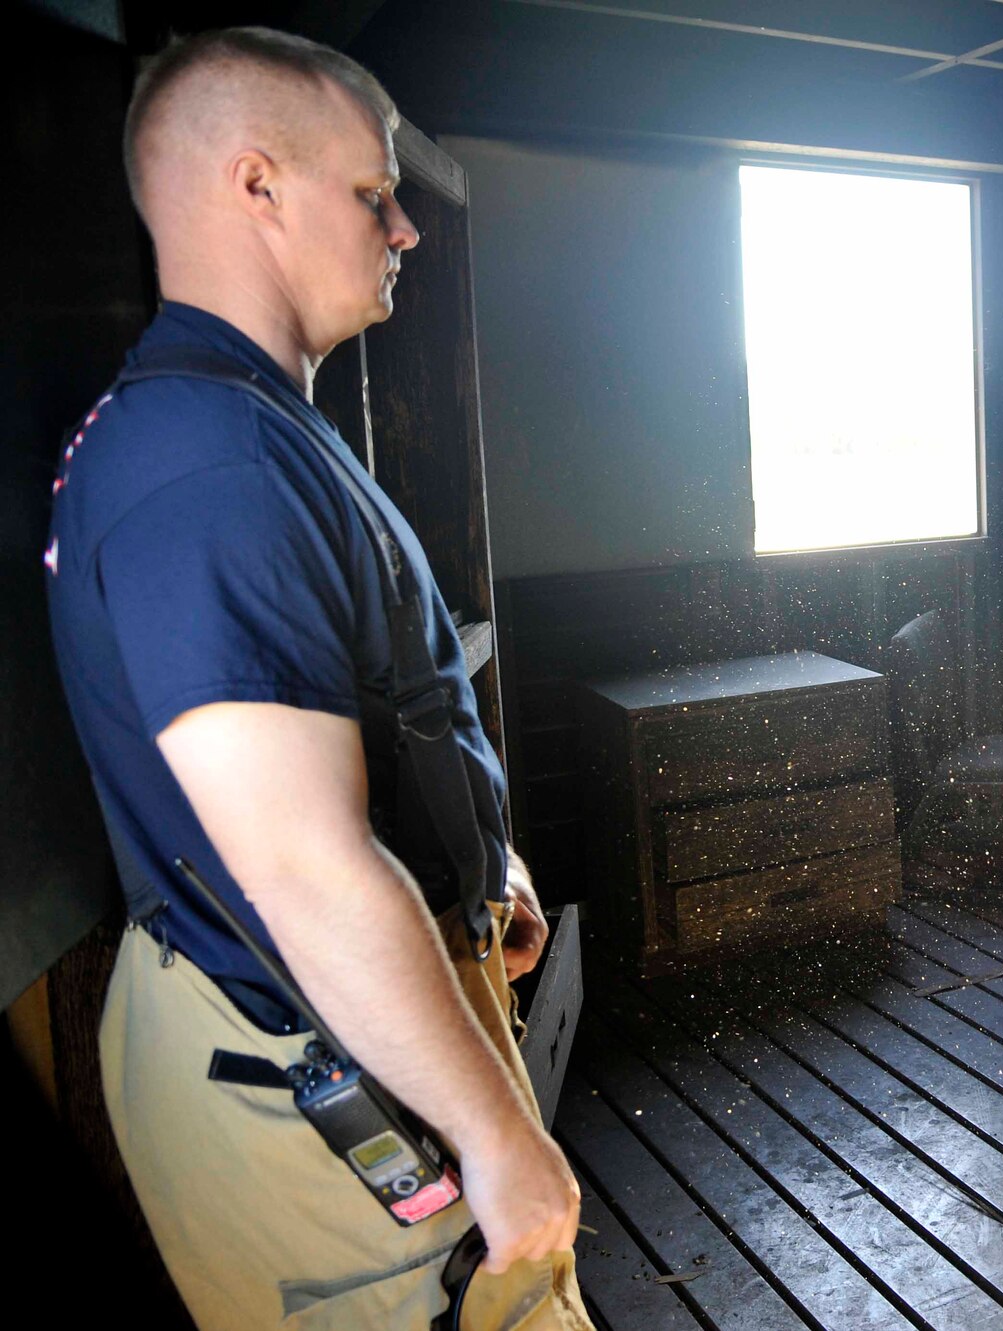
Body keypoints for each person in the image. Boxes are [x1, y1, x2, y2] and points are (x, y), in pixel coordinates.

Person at [44, 26, 592, 1330]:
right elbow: (296, 861)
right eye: (372, 192)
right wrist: (497, 1136)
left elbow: (351, 726)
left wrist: (473, 871)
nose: (405, 228)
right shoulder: (211, 467)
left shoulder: (242, 430)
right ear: (255, 185)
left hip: (329, 1015)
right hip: (306, 1059)